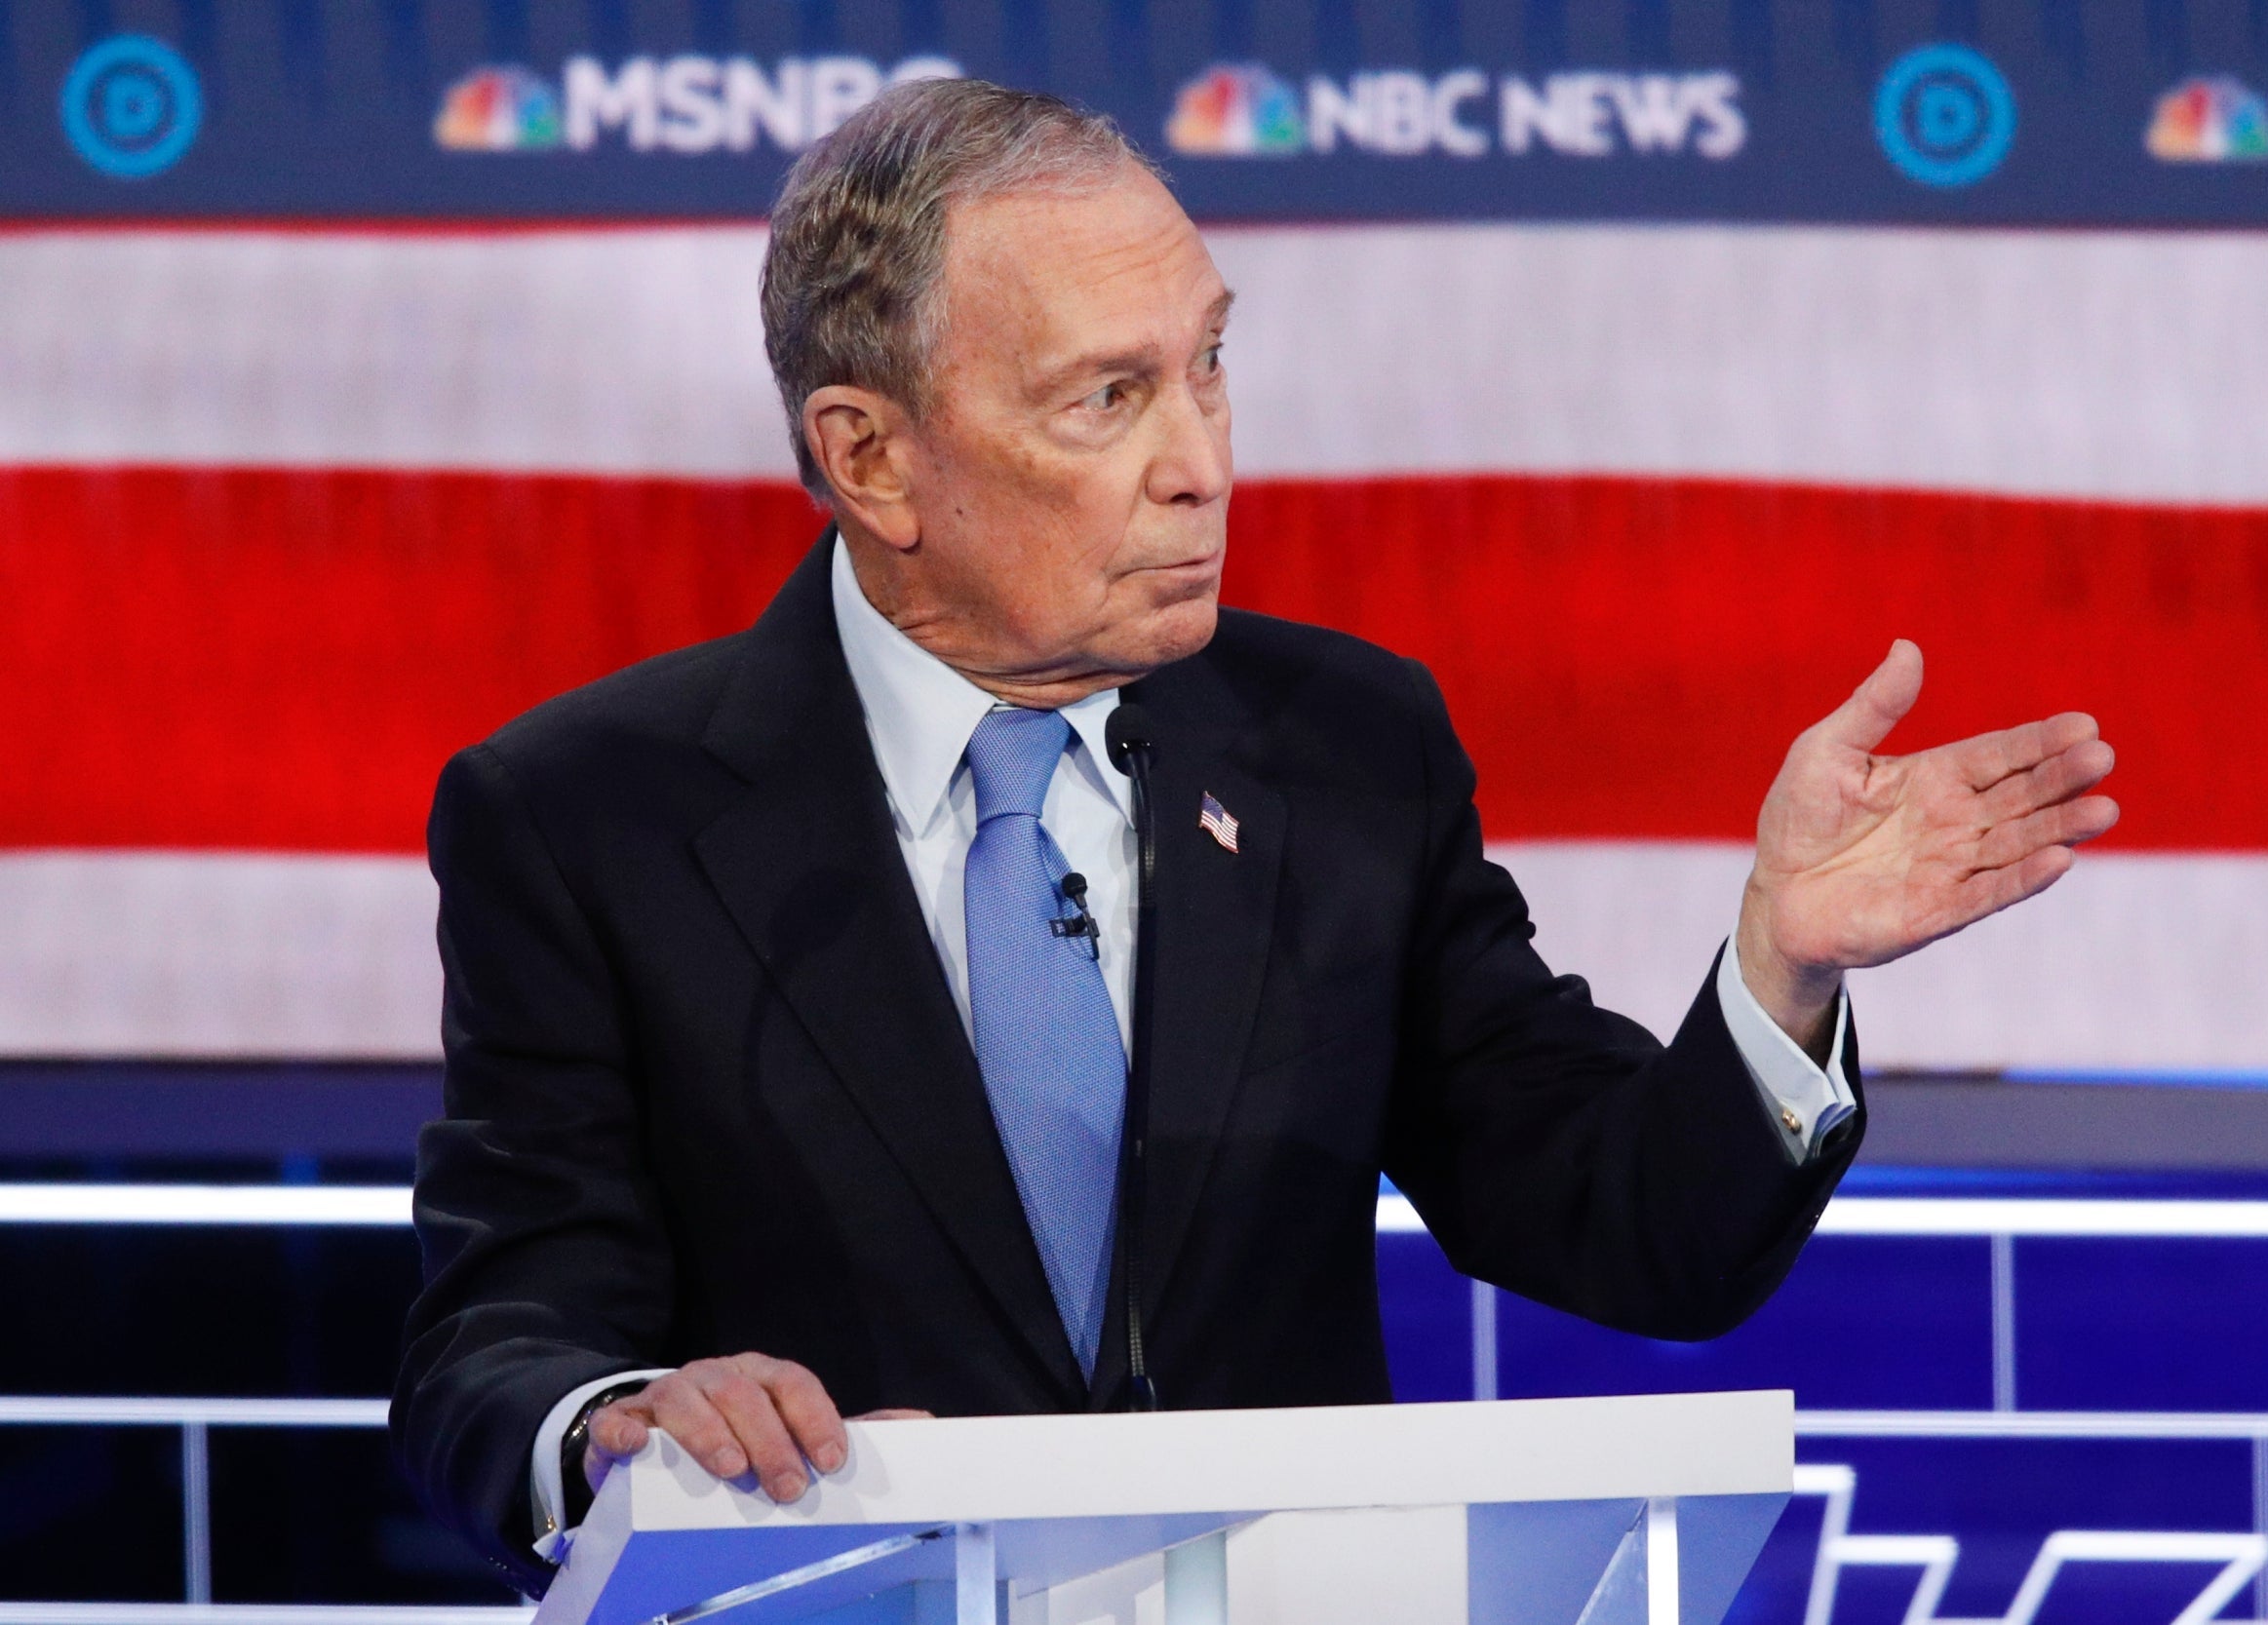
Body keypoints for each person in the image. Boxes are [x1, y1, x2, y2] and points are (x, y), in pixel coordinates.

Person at [390, 79, 2119, 1593]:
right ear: (873, 459)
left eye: (1210, 363)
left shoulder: (1343, 753)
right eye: (1108, 398)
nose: (1205, 460)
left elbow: (1623, 1227)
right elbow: (497, 1340)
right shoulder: (585, 819)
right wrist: (614, 1421)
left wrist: (1778, 972)